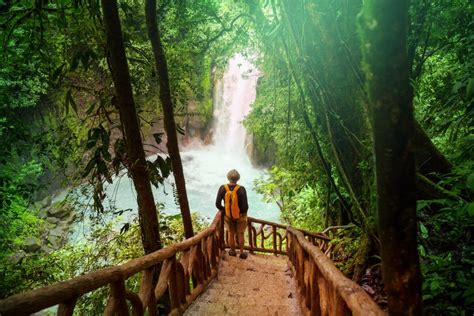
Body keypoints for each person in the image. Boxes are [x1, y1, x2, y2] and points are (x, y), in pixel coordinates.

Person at [215, 169, 249, 259]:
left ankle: (232, 251)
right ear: (238, 178)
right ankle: (242, 253)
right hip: (240, 216)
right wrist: (241, 213)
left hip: (228, 216)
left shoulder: (222, 188)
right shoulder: (241, 189)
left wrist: (225, 211)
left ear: (228, 177)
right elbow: (245, 206)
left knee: (230, 233)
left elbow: (217, 204)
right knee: (240, 234)